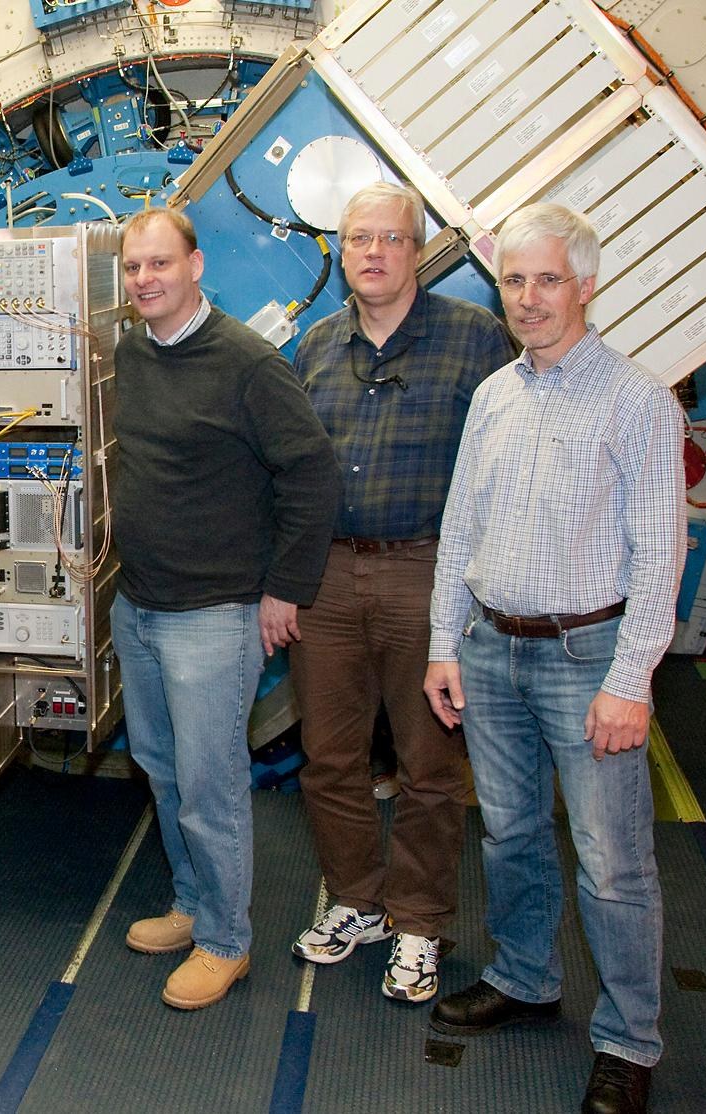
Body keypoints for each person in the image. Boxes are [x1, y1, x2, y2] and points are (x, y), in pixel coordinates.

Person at [423, 202, 683, 1114]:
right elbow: (459, 530)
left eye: (546, 280)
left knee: (612, 863)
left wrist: (629, 680)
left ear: (585, 286)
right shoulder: (493, 396)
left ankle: (628, 1040)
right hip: (490, 650)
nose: (528, 299)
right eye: (513, 281)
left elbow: (659, 554)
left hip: (587, 657)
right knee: (509, 832)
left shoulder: (637, 400)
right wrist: (442, 644)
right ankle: (524, 978)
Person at [287, 182, 516, 1003]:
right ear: (341, 250)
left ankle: (418, 920)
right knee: (329, 756)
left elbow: (506, 464)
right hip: (325, 577)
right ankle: (356, 900)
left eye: (391, 238)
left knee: (428, 764)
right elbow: (292, 474)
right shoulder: (315, 347)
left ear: (417, 251)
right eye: (359, 238)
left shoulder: (474, 339)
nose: (373, 252)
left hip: (428, 573)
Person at [111, 206, 339, 1010]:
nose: (144, 279)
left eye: (159, 263)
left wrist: (284, 588)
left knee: (210, 788)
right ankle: (190, 904)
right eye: (133, 266)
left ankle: (225, 941)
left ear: (195, 265)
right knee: (163, 771)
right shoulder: (132, 352)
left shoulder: (247, 362)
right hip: (138, 605)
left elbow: (311, 473)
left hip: (212, 615)